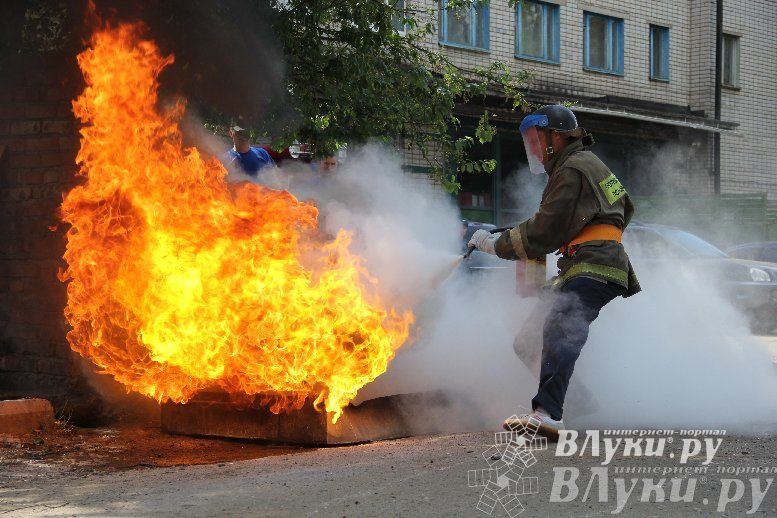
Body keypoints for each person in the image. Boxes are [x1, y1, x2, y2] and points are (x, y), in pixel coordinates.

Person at [468, 105, 640, 440]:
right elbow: (623, 207)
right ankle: (578, 402)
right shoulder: (584, 165)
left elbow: (543, 231)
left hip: (595, 264)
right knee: (528, 342)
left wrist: (494, 245)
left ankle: (548, 414)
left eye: (536, 139)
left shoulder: (573, 167)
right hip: (583, 263)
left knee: (561, 325)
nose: (532, 148)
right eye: (528, 140)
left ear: (557, 137)